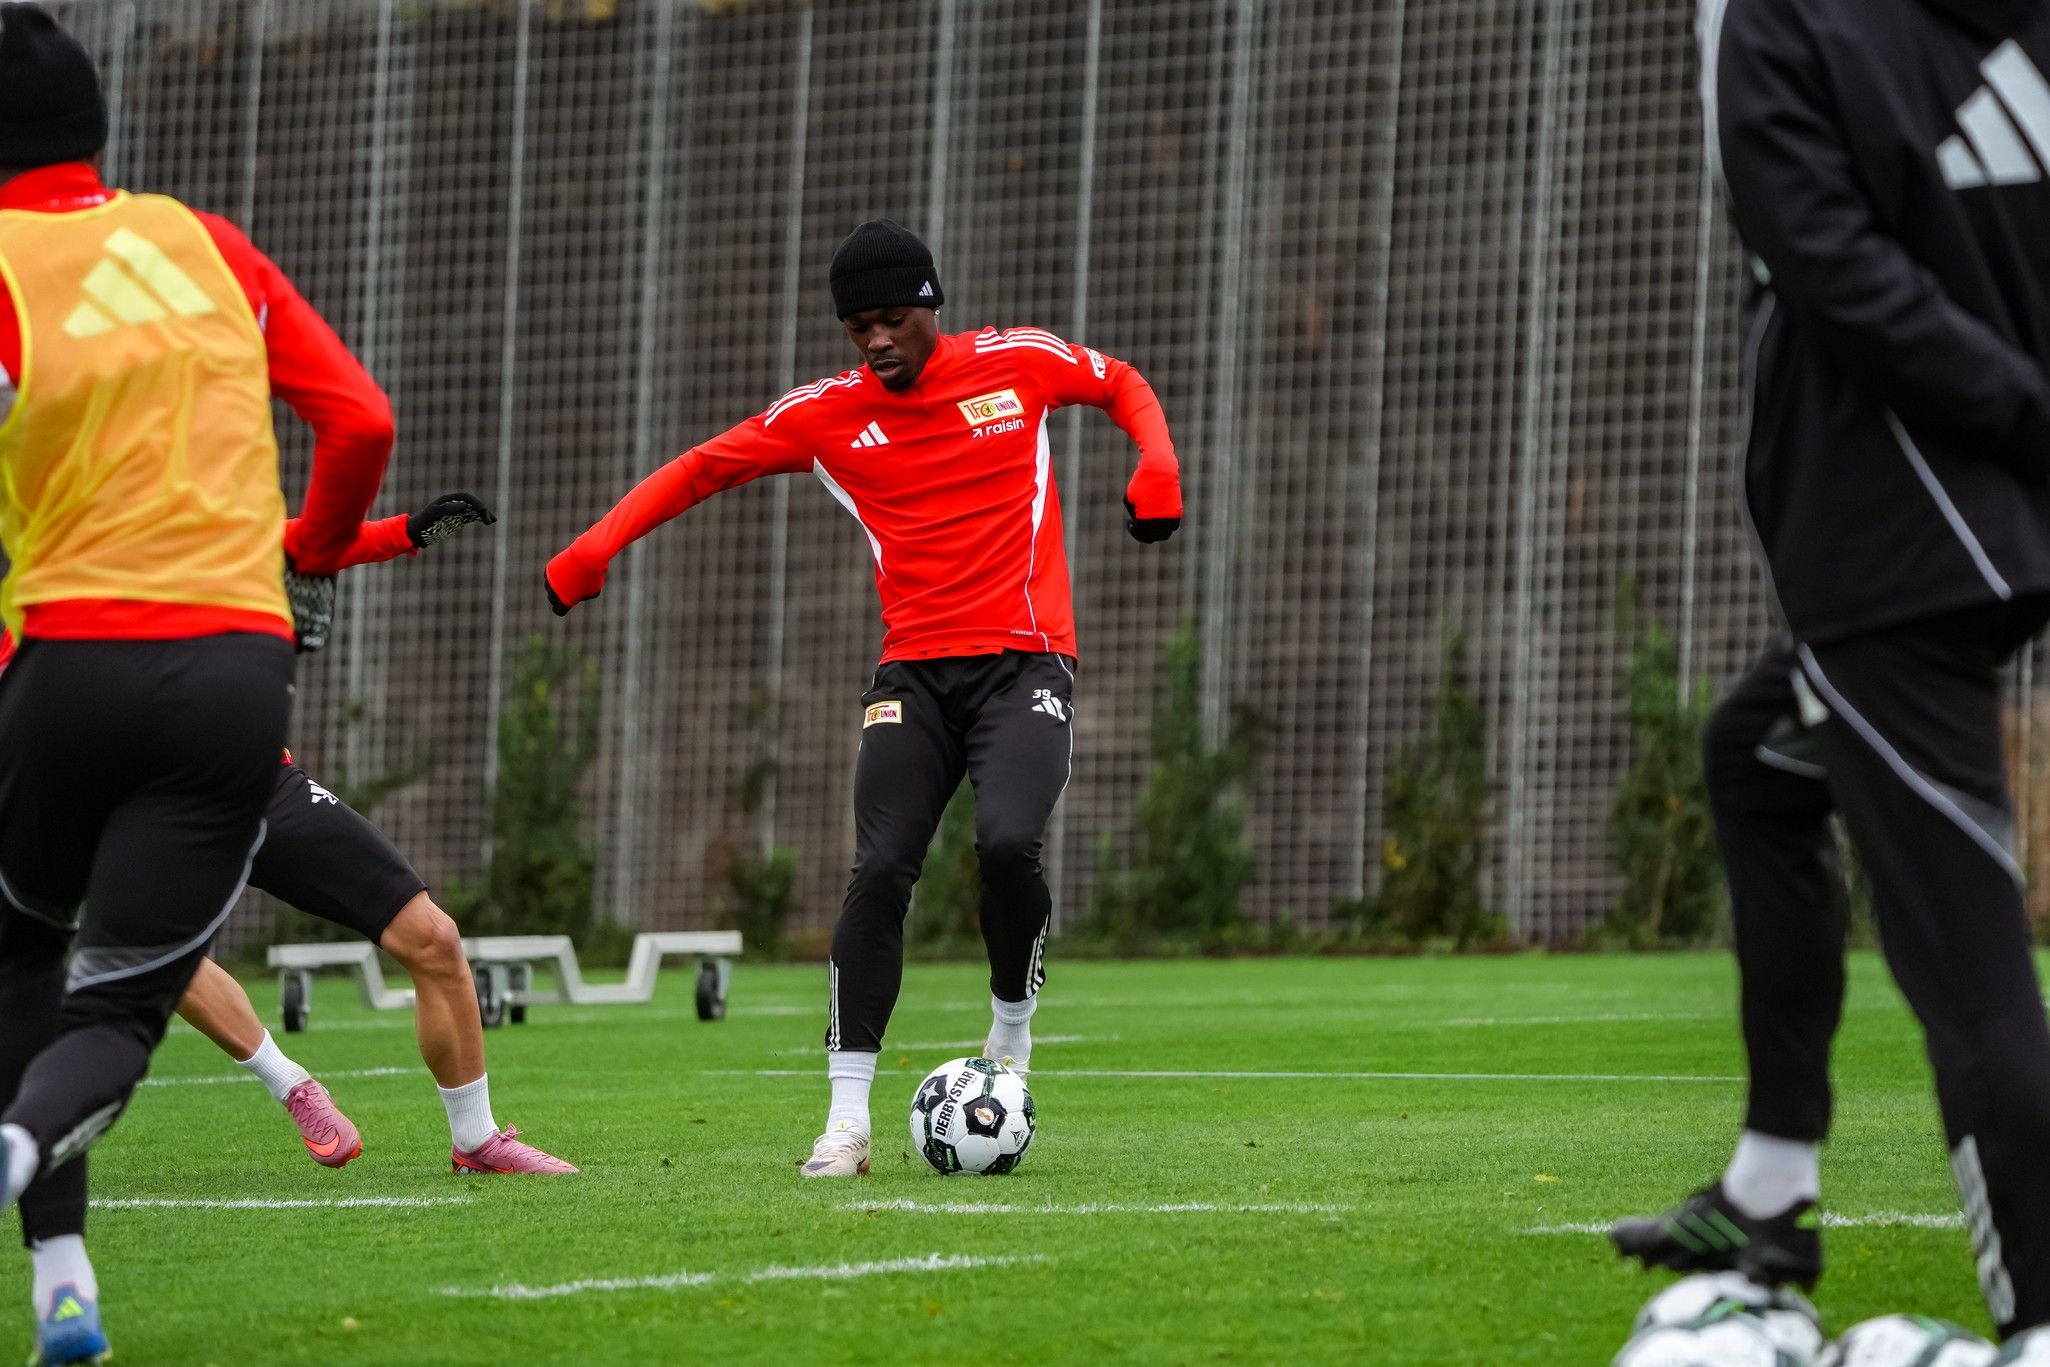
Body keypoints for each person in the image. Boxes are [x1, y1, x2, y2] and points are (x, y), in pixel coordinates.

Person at [548, 219, 1183, 1179]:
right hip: (913, 676)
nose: (876, 340)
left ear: (930, 306)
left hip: (1026, 664)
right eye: (857, 328)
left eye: (891, 319)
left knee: (1008, 843)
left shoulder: (1017, 362)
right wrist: (594, 548)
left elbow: (1121, 381)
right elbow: (703, 467)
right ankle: (846, 1122)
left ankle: (1011, 1025)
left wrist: (1156, 464)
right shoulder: (826, 414)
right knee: (881, 868)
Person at [1614, 0, 2050, 1343]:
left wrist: (2023, 411)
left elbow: (1829, 267)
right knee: (1755, 761)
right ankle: (1770, 1187)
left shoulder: (1774, 21)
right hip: (2001, 515)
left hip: (1896, 551)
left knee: (1966, 960)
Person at [0, 5, 391, 1363]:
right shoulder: (206, 242)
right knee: (118, 1002)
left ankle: (52, 1244)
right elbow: (363, 419)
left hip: (63, 667)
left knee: (21, 951)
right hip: (237, 670)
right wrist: (317, 549)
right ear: (97, 120)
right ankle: (57, 1263)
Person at [132, 493, 570, 1179]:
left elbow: (317, 539)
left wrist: (408, 532)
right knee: (159, 949)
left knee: (434, 938)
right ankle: (292, 1086)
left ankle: (478, 1140)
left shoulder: (197, 529)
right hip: (149, 811)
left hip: (259, 785)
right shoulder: (60, 581)